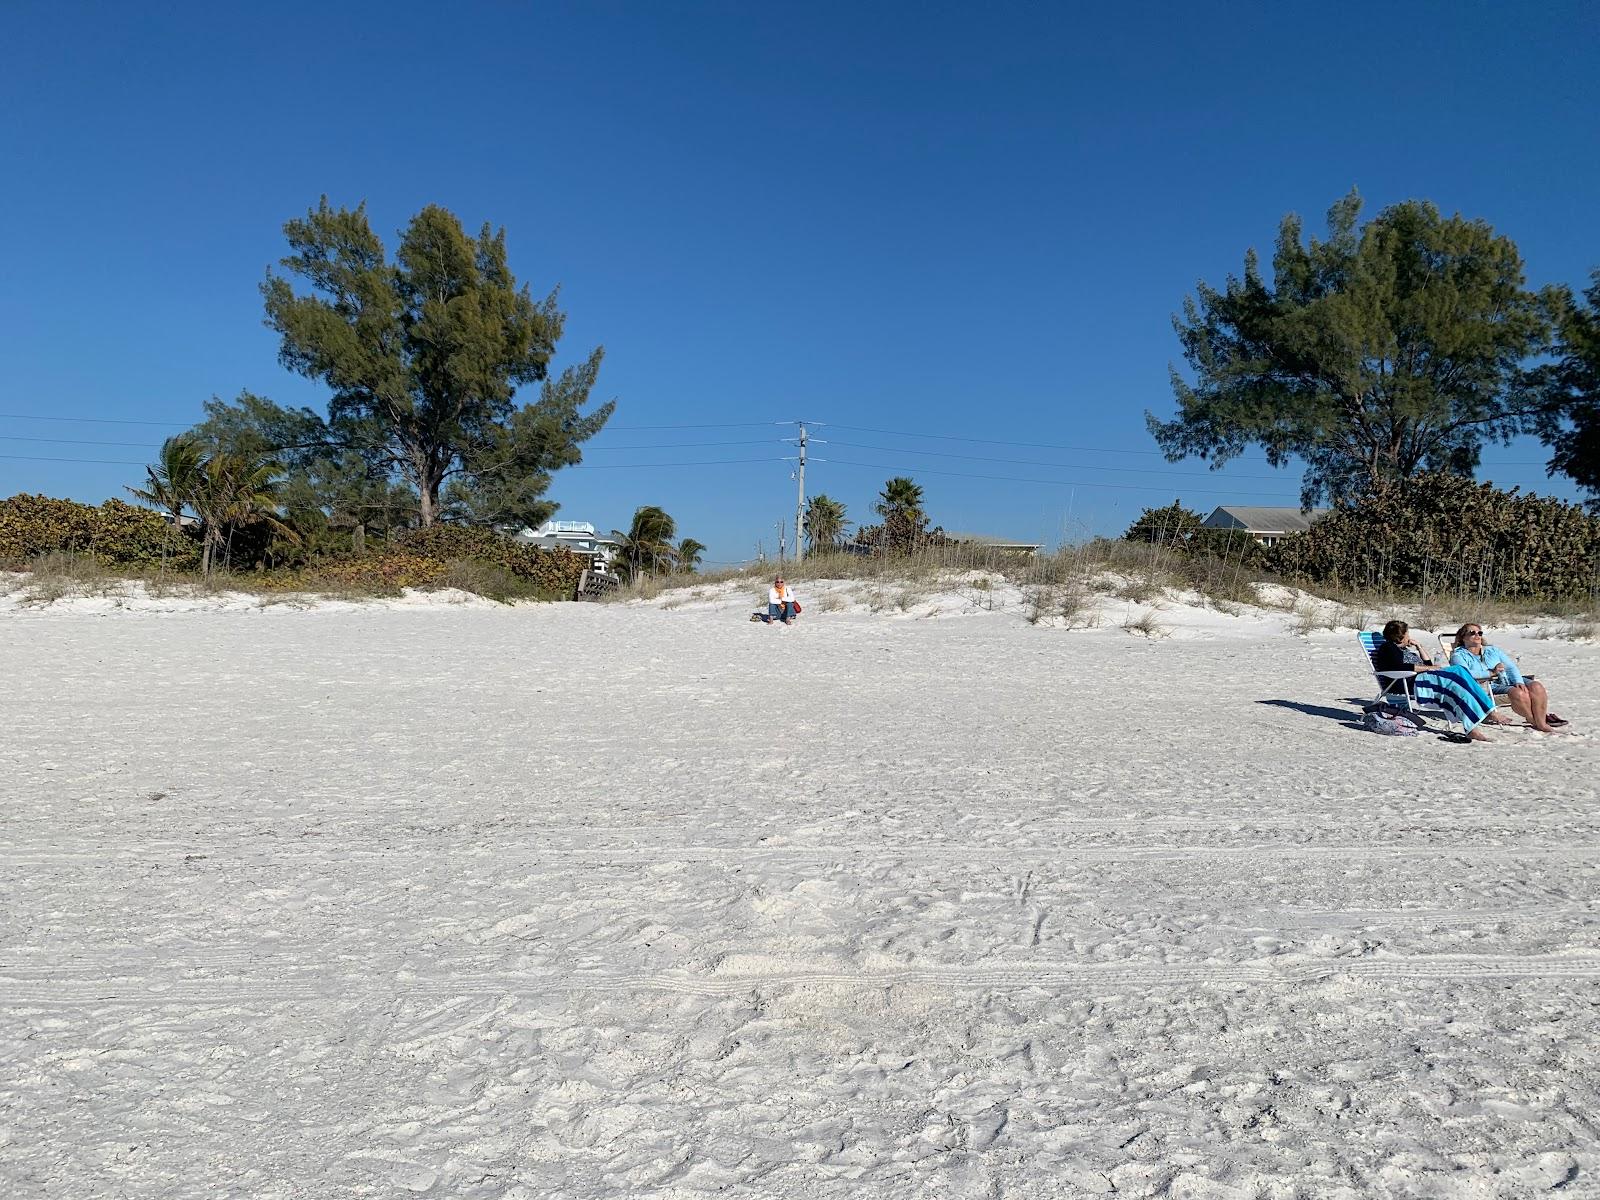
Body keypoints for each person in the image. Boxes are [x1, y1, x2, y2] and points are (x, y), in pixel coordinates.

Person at [1372, 619, 1499, 741]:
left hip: (1423, 678)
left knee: (1460, 673)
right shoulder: (1388, 648)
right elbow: (1399, 667)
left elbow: (1428, 663)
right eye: (1407, 634)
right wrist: (1430, 668)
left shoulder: (1402, 649)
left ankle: (1483, 715)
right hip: (1409, 682)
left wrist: (1419, 647)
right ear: (1400, 636)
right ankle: (1483, 717)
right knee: (1458, 675)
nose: (1409, 637)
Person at [1450, 623, 1567, 733]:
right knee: (1519, 693)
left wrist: (1518, 681)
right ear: (1463, 637)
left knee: (1536, 686)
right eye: (1472, 633)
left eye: (1479, 633)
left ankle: (1541, 722)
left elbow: (1510, 667)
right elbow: (1464, 673)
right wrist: (1491, 673)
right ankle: (1534, 720)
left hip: (1505, 678)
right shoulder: (1458, 655)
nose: (1477, 635)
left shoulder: (1492, 650)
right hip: (1486, 685)